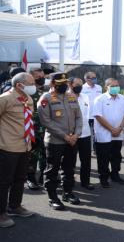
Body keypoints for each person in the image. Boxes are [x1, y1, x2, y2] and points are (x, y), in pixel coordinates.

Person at [38, 72, 82, 210]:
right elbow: (46, 122)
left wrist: (76, 134)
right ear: (52, 84)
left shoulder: (71, 96)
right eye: (59, 84)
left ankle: (67, 192)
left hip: (72, 140)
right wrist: (65, 136)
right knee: (52, 169)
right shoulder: (46, 98)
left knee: (69, 168)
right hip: (55, 141)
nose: (63, 86)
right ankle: (52, 197)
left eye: (64, 83)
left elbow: (79, 118)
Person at [0, 72, 36, 228]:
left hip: (25, 145)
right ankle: (1, 213)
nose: (34, 85)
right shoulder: (5, 99)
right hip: (7, 147)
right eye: (31, 83)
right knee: (3, 181)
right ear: (19, 85)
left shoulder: (28, 98)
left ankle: (15, 206)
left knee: (20, 178)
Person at [93, 78, 124, 188]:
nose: (116, 88)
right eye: (113, 86)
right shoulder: (100, 99)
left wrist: (119, 128)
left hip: (118, 133)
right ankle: (104, 178)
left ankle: (115, 175)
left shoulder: (122, 98)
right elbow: (98, 116)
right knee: (103, 157)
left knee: (116, 156)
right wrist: (111, 129)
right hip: (104, 134)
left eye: (117, 85)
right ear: (106, 87)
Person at [68, 77, 94, 190]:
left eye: (81, 84)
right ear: (70, 85)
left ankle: (85, 182)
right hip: (71, 134)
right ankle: (69, 182)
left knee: (86, 160)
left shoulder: (85, 97)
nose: (79, 86)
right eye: (77, 84)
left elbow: (88, 114)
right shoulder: (65, 97)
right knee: (70, 160)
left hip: (85, 133)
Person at [25, 67, 47, 190]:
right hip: (31, 131)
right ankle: (31, 178)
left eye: (42, 76)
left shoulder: (46, 92)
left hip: (46, 130)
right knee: (32, 156)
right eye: (38, 77)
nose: (42, 79)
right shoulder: (27, 93)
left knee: (46, 155)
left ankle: (44, 177)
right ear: (31, 77)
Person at [81, 71, 102, 150]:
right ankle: (87, 149)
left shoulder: (99, 87)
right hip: (86, 115)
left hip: (97, 114)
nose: (95, 79)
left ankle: (96, 149)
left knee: (96, 133)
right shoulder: (82, 88)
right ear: (87, 79)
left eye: (95, 77)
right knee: (86, 133)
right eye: (93, 78)